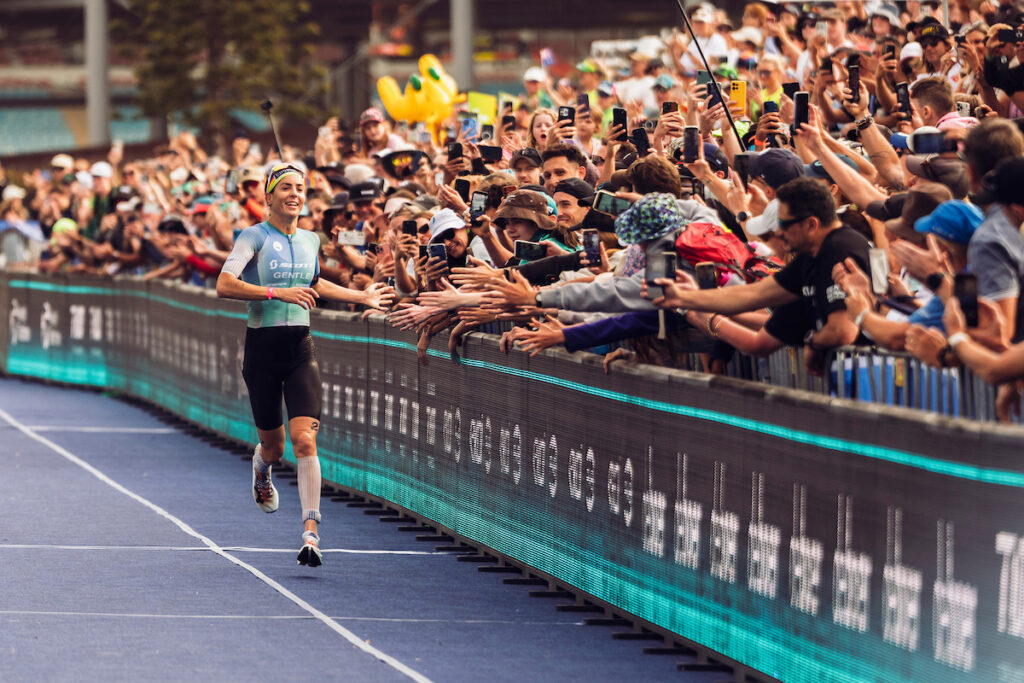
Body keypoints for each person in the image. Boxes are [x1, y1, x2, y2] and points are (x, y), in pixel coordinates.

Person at [216, 163, 393, 566]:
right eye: (287, 188)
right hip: (261, 349)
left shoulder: (311, 239)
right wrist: (277, 292)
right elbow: (224, 285)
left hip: (300, 347)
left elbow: (313, 284)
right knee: (275, 448)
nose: (296, 194)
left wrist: (360, 296)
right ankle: (261, 470)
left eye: (301, 188)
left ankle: (310, 532)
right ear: (269, 196)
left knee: (306, 441)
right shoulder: (253, 236)